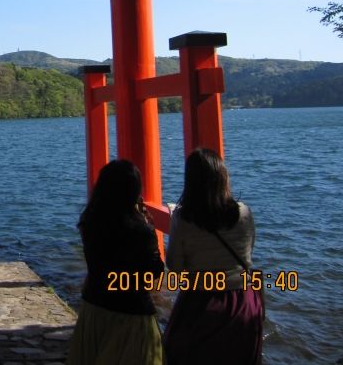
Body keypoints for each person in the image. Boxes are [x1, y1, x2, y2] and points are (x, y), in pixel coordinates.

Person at [164, 148, 263, 365]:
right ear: (223, 177)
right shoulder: (244, 212)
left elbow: (175, 266)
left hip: (200, 301)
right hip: (241, 298)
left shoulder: (183, 217)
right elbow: (248, 252)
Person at [67, 159, 164, 365]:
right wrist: (150, 227)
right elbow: (154, 272)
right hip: (132, 313)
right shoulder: (142, 231)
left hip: (94, 307)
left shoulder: (89, 222)